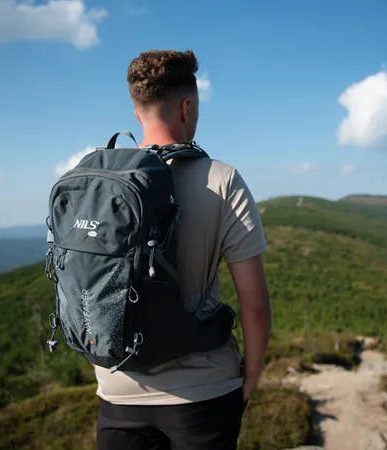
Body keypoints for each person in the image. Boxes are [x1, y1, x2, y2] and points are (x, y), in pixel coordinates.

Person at [94, 49, 272, 450]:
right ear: (187, 107)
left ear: (137, 112)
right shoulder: (222, 180)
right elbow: (255, 304)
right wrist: (250, 379)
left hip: (117, 390)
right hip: (204, 393)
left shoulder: (101, 184)